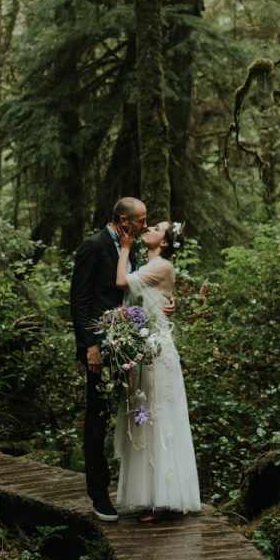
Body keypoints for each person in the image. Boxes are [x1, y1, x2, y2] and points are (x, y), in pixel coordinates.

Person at [114, 220, 201, 523]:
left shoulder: (162, 265)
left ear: (163, 243)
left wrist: (124, 248)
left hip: (157, 350)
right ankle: (150, 497)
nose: (148, 229)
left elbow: (122, 282)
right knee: (145, 416)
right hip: (144, 348)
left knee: (158, 416)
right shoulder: (149, 264)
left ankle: (162, 499)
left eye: (156, 228)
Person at [70, 197, 147, 522]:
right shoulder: (93, 246)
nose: (144, 225)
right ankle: (99, 493)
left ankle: (140, 491)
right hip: (100, 351)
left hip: (129, 347)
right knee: (97, 418)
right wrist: (90, 346)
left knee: (136, 415)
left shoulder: (133, 248)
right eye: (140, 220)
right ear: (122, 219)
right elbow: (80, 299)